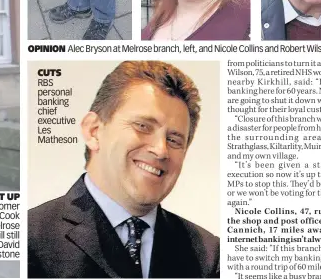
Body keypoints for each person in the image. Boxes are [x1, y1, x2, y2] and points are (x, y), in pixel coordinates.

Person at [28, 61, 220, 278]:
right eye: (143, 126)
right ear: (94, 131)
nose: (161, 150)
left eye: (174, 140)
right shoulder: (30, 239)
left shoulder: (208, 254)